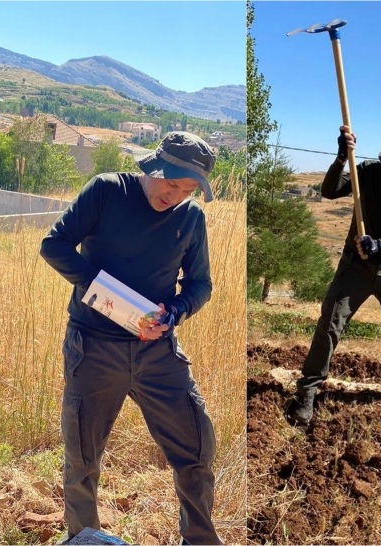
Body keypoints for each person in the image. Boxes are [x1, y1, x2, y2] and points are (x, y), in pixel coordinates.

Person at [40, 132, 222, 545]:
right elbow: (54, 245)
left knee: (197, 448)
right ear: (151, 166)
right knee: (82, 458)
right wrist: (104, 295)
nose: (175, 195)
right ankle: (85, 537)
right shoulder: (107, 190)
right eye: (170, 183)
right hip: (94, 346)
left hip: (156, 349)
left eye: (188, 189)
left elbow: (200, 284)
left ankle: (199, 540)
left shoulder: (191, 218)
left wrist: (173, 313)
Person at [288, 126, 381, 425]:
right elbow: (328, 192)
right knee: (330, 325)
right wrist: (341, 158)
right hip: (356, 267)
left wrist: (380, 244)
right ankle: (308, 391)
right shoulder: (366, 171)